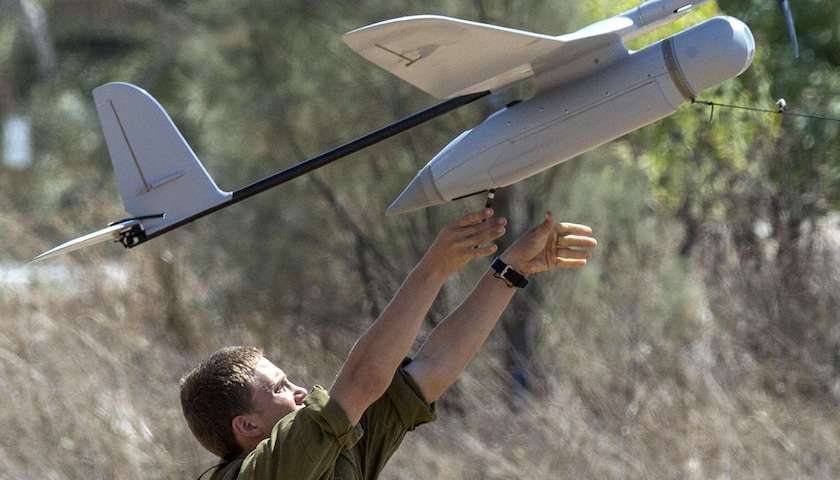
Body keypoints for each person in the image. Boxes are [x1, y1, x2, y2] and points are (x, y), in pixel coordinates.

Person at [179, 208, 597, 480]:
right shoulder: (261, 474)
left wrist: (511, 270)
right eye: (279, 388)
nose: (299, 390)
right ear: (247, 426)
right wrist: (433, 268)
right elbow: (363, 380)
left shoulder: (329, 454)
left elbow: (430, 371)